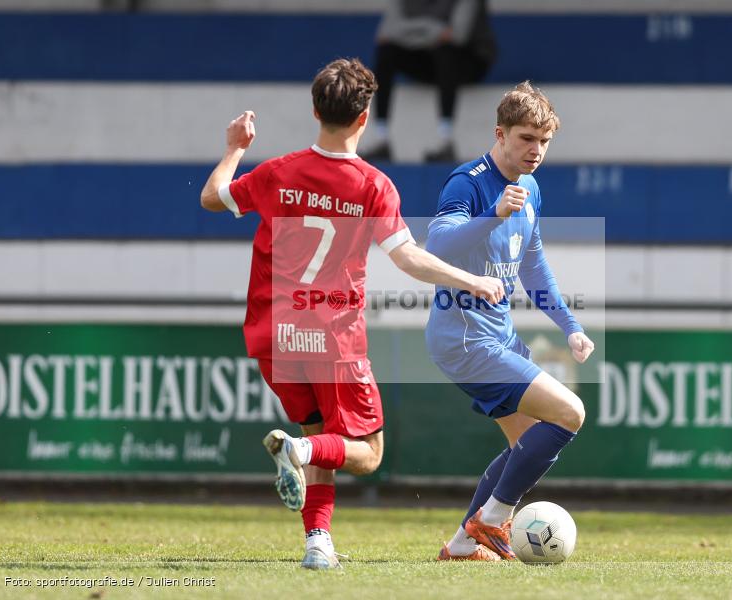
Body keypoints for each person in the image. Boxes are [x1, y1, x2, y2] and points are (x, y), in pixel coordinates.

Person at [199, 58, 504, 570]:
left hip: (274, 333)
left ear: (316, 110)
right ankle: (298, 452)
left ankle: (318, 544)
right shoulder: (372, 185)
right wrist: (473, 279)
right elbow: (407, 257)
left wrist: (235, 149)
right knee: (365, 451)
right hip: (332, 334)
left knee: (323, 434)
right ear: (365, 118)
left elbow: (212, 197)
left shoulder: (278, 172)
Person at [424, 82, 594, 561]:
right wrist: (493, 215)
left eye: (543, 141)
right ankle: (493, 519)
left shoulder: (531, 186)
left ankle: (461, 547)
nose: (535, 150)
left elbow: (533, 265)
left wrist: (569, 326)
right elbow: (435, 249)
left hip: (496, 336)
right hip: (463, 339)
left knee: (526, 447)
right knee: (570, 413)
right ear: (500, 134)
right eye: (525, 139)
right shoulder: (468, 182)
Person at [361, 0, 496, 163]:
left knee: (446, 52)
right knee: (386, 53)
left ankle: (446, 140)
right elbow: (385, 33)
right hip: (428, 57)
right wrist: (433, 31)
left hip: (468, 63)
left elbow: (457, 35)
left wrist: (410, 33)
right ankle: (381, 137)